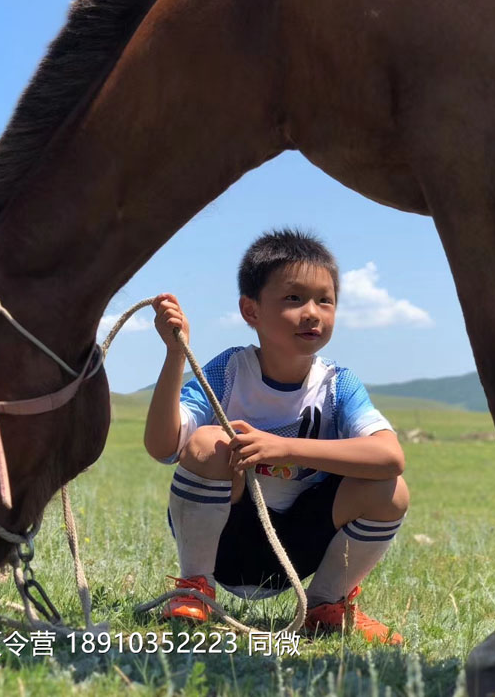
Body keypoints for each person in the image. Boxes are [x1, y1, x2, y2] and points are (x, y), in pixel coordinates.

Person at [144, 229, 409, 644]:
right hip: (225, 542)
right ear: (251, 311)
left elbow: (390, 456)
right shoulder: (229, 371)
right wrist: (176, 355)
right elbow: (163, 447)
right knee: (207, 442)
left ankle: (325, 606)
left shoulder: (338, 385)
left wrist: (283, 447)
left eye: (325, 300)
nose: (312, 313)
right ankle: (193, 587)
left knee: (391, 491)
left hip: (298, 548)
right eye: (293, 298)